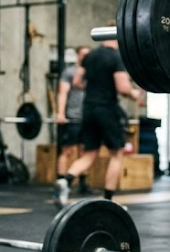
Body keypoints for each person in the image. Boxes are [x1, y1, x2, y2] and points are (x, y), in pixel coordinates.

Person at [54, 20, 141, 208]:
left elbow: (77, 81)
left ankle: (65, 180)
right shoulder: (117, 57)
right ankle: (109, 200)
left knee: (89, 154)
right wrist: (135, 94)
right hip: (107, 110)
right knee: (116, 154)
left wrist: (95, 88)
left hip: (88, 109)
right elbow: (123, 88)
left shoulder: (89, 56)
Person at [56, 45, 91, 195]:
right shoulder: (69, 72)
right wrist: (60, 113)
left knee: (85, 152)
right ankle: (61, 182)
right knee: (67, 151)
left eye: (88, 55)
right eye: (83, 55)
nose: (85, 57)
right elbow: (62, 93)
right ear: (77, 56)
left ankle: (83, 184)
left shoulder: (92, 73)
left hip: (88, 117)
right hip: (72, 117)